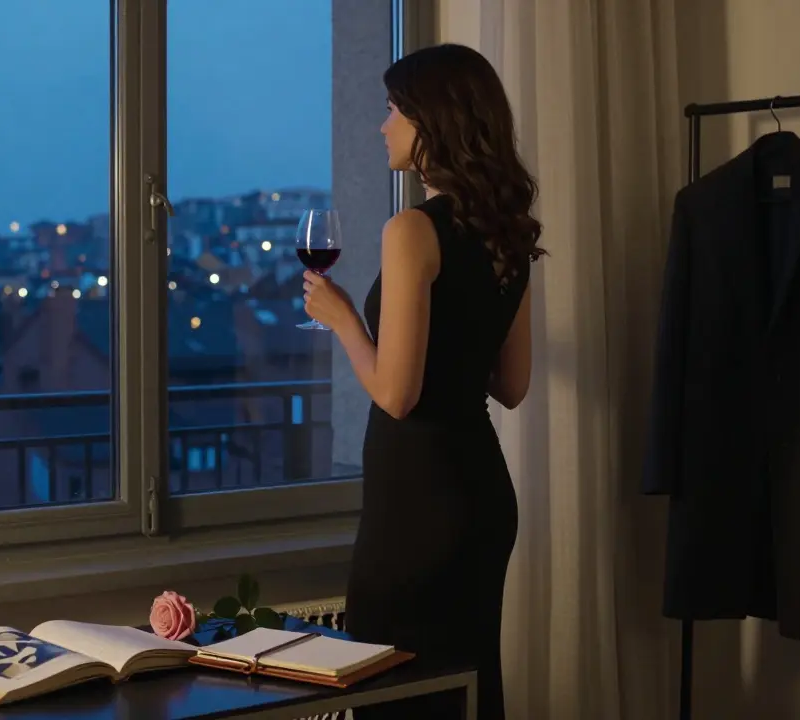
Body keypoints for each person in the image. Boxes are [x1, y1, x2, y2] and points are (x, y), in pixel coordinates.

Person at [302, 43, 542, 719]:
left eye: (394, 110)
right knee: (465, 690)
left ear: (433, 120)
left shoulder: (412, 230)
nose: (383, 125)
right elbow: (513, 385)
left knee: (393, 691)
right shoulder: (507, 231)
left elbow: (397, 395)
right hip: (481, 499)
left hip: (417, 507)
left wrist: (345, 320)